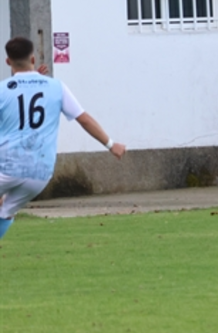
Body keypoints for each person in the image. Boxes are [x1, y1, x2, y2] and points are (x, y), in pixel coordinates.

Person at [0, 37, 126, 239]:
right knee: (5, 212)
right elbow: (84, 119)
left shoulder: (3, 89)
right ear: (33, 58)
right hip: (39, 172)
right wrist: (111, 144)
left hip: (6, 166)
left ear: (8, 62)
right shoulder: (56, 87)